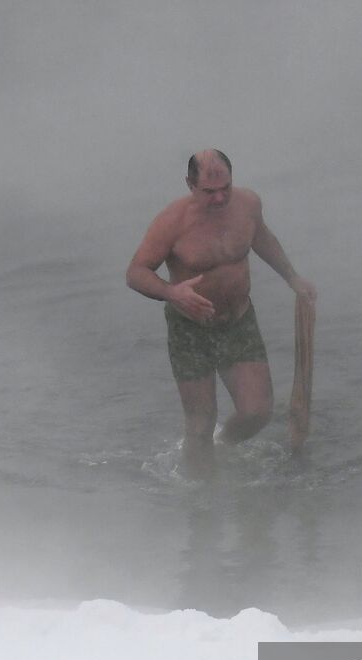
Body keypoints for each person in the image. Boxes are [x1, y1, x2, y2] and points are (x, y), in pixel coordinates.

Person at [126, 149, 317, 478]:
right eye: (209, 192)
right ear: (190, 185)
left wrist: (293, 277)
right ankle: (203, 502)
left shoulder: (248, 205)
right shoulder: (171, 222)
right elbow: (136, 272)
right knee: (199, 423)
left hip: (238, 321)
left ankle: (222, 446)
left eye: (225, 188)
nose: (219, 198)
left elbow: (262, 240)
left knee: (257, 411)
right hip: (190, 329)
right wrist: (173, 293)